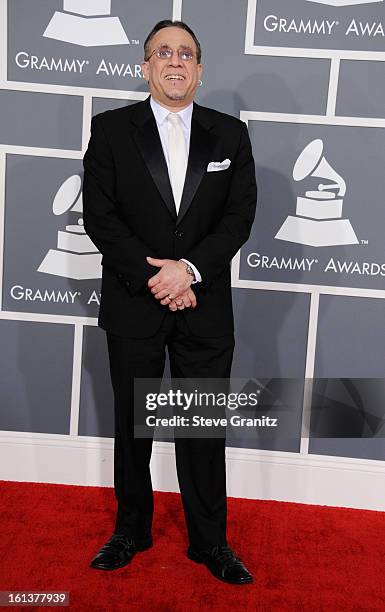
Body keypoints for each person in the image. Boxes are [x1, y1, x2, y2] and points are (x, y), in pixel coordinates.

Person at [83, 19, 257, 585]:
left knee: (202, 428)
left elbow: (239, 217)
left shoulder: (230, 135)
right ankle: (130, 531)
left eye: (186, 53)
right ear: (146, 66)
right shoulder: (110, 130)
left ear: (200, 69)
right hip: (136, 300)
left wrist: (189, 272)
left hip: (204, 306)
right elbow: (101, 217)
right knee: (134, 427)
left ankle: (210, 543)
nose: (175, 61)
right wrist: (156, 277)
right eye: (163, 52)